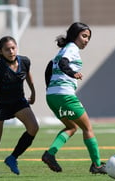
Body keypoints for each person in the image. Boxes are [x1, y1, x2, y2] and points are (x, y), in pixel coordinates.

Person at [42, 22, 107, 174]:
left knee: (72, 127)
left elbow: (49, 68)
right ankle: (96, 165)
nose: (86, 40)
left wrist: (50, 88)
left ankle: (50, 154)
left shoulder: (63, 50)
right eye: (84, 36)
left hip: (52, 97)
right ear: (74, 35)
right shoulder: (72, 48)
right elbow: (64, 64)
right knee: (87, 128)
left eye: (88, 38)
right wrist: (73, 74)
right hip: (65, 96)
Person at [0, 36, 39, 178]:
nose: (11, 51)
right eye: (7, 49)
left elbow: (28, 78)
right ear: (1, 51)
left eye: (13, 48)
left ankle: (12, 158)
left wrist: (33, 92)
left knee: (33, 128)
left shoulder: (24, 61)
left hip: (18, 102)